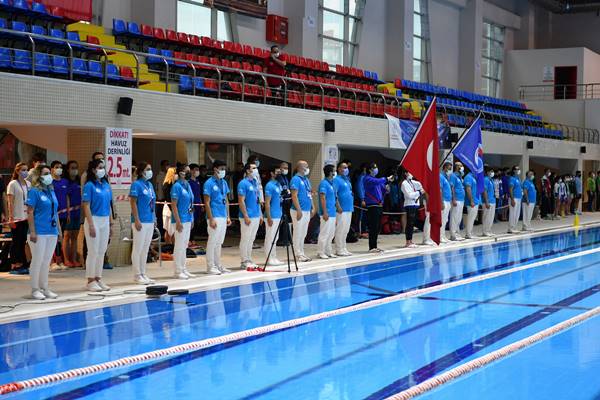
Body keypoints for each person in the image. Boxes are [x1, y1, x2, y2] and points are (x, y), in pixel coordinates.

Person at [25, 165, 61, 300]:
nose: (48, 176)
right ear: (39, 176)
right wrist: (32, 231)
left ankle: (44, 287)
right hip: (38, 231)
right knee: (37, 261)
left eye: (49, 173)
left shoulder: (51, 191)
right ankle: (35, 289)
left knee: (46, 262)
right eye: (45, 174)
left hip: (51, 231)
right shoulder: (34, 191)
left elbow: (55, 212)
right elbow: (30, 211)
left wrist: (58, 231)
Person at [82, 159, 113, 292]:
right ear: (94, 170)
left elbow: (109, 205)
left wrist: (111, 223)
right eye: (100, 167)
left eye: (103, 167)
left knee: (101, 251)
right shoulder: (89, 185)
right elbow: (86, 205)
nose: (103, 170)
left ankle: (98, 278)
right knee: (93, 251)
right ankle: (90, 280)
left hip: (105, 219)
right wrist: (91, 224)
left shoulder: (106, 185)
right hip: (93, 219)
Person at [129, 162, 157, 285]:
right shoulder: (136, 185)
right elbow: (133, 202)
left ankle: (143, 273)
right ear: (141, 172)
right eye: (148, 169)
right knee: (138, 248)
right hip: (140, 221)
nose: (150, 171)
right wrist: (136, 219)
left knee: (145, 249)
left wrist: (154, 218)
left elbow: (153, 202)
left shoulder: (149, 185)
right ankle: (137, 274)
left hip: (149, 220)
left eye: (151, 169)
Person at [204, 160, 232, 274]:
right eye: (221, 168)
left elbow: (226, 200)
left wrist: (228, 216)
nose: (223, 171)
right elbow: (206, 202)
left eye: (224, 169)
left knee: (219, 242)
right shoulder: (209, 183)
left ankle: (218, 264)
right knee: (212, 241)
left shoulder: (224, 183)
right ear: (215, 169)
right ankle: (210, 266)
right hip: (214, 215)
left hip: (223, 215)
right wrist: (211, 218)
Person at [171, 163, 195, 279]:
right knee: (179, 245)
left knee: (185, 245)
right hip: (180, 219)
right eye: (187, 170)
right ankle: (177, 270)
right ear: (181, 173)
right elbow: (174, 205)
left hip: (188, 218)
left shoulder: (188, 185)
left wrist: (192, 218)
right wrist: (178, 221)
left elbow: (191, 202)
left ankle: (184, 268)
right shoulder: (176, 186)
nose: (190, 172)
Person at [363, 163, 394, 253]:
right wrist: (386, 179)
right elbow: (378, 182)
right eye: (374, 168)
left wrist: (387, 188)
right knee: (373, 226)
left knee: (377, 227)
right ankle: (371, 246)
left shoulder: (377, 180)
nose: (376, 170)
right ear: (370, 170)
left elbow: (383, 189)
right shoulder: (367, 179)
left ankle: (375, 246)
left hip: (379, 205)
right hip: (373, 205)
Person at [238, 162, 263, 270]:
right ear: (248, 170)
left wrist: (260, 214)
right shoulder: (243, 183)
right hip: (247, 216)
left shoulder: (255, 182)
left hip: (256, 215)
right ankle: (244, 260)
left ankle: (249, 258)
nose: (256, 170)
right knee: (245, 238)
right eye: (253, 168)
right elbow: (241, 201)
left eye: (256, 168)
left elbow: (258, 200)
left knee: (251, 239)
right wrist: (246, 215)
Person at [7, 162, 31, 274]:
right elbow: (10, 202)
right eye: (23, 170)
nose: (25, 172)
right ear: (17, 171)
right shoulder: (13, 184)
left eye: (26, 169)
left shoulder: (28, 184)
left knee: (23, 241)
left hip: (26, 217)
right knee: (17, 241)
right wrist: (11, 218)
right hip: (17, 217)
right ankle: (15, 264)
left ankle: (22, 262)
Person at [290, 160, 314, 262]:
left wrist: (313, 206)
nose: (308, 168)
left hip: (307, 209)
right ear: (300, 168)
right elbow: (294, 195)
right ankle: (297, 254)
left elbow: (310, 194)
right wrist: (299, 209)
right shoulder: (295, 179)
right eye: (306, 166)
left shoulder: (306, 180)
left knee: (303, 233)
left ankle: (302, 252)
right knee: (298, 232)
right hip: (298, 210)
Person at [264, 165, 284, 266]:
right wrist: (269, 217)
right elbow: (267, 202)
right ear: (272, 173)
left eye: (280, 172)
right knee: (270, 237)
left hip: (278, 214)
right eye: (277, 172)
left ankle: (274, 256)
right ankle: (269, 258)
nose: (279, 173)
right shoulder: (269, 185)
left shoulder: (278, 185)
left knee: (275, 238)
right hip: (271, 215)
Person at [50, 161, 68, 270]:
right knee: (54, 237)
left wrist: (68, 212)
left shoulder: (65, 181)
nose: (59, 169)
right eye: (57, 167)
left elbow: (67, 197)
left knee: (61, 238)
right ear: (52, 169)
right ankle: (52, 261)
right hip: (54, 214)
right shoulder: (50, 182)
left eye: (60, 167)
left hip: (64, 214)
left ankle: (60, 260)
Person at [63, 161, 82, 267]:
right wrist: (68, 213)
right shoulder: (66, 182)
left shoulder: (79, 181)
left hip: (78, 212)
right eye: (72, 168)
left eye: (76, 167)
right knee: (67, 235)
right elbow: (66, 198)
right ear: (68, 169)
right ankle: (66, 259)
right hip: (68, 212)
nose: (74, 170)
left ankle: (74, 259)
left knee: (75, 236)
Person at [333, 161, 354, 256]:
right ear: (338, 169)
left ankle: (343, 247)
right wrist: (338, 206)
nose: (345, 169)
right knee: (340, 229)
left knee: (346, 230)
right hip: (341, 209)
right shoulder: (336, 179)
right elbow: (335, 194)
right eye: (343, 167)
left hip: (349, 208)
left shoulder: (347, 180)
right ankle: (338, 249)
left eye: (346, 168)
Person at [317, 165, 337, 259]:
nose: (335, 172)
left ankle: (328, 251)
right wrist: (325, 212)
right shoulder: (324, 183)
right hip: (327, 212)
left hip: (332, 212)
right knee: (324, 233)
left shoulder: (331, 183)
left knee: (331, 233)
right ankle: (321, 252)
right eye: (334, 171)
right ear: (330, 172)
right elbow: (322, 198)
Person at [401, 170, 422, 248]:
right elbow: (409, 195)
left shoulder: (412, 182)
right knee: (409, 224)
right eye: (410, 172)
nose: (411, 174)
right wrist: (418, 193)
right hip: (409, 205)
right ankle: (408, 241)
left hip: (415, 204)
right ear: (406, 173)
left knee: (412, 223)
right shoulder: (404, 183)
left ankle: (411, 240)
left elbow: (420, 185)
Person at [276, 161, 292, 246]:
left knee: (286, 221)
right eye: (284, 168)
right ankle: (281, 239)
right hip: (281, 202)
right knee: (282, 221)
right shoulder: (279, 177)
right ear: (280, 168)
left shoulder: (286, 177)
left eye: (287, 168)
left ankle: (286, 239)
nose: (286, 169)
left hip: (287, 202)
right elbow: (283, 190)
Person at [449, 161, 465, 241]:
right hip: (457, 199)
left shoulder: (459, 176)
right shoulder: (453, 176)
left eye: (462, 166)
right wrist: (454, 199)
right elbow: (452, 188)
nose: (462, 167)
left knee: (459, 218)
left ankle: (457, 233)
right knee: (454, 217)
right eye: (460, 166)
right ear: (456, 167)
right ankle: (453, 235)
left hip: (461, 199)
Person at [161, 167, 177, 245]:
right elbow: (168, 198)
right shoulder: (167, 185)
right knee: (169, 229)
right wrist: (172, 210)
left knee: (173, 230)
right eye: (175, 173)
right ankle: (169, 245)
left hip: (172, 207)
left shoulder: (175, 184)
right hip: (169, 208)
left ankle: (172, 246)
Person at [463, 168, 480, 239]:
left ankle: (470, 232)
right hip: (471, 202)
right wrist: (471, 201)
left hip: (475, 201)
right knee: (470, 218)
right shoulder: (468, 177)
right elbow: (468, 189)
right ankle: (468, 233)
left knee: (473, 218)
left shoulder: (473, 177)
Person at [188, 163, 203, 242]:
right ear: (191, 171)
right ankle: (190, 239)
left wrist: (201, 204)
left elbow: (199, 193)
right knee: (191, 221)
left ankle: (193, 238)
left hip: (198, 204)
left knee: (197, 221)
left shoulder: (197, 181)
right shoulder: (189, 182)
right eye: (195, 170)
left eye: (198, 170)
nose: (197, 171)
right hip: (191, 205)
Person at [155, 160, 170, 236]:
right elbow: (161, 188)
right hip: (161, 199)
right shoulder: (160, 176)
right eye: (166, 165)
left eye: (168, 164)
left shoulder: (169, 174)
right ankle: (161, 233)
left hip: (167, 199)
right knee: (160, 217)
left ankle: (166, 233)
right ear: (162, 166)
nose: (167, 166)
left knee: (167, 218)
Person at [439, 162, 452, 243]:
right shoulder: (441, 176)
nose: (450, 170)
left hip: (448, 200)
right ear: (445, 168)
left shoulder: (447, 177)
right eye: (449, 168)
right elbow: (440, 190)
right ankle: (440, 237)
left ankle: (443, 235)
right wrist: (441, 202)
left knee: (445, 220)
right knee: (442, 220)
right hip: (444, 201)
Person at [481, 166, 496, 237]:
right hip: (487, 201)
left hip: (492, 201)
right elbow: (484, 191)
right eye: (491, 171)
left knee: (491, 217)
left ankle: (489, 230)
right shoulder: (486, 179)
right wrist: (486, 201)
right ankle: (485, 231)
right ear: (487, 172)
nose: (493, 173)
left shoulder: (491, 180)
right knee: (486, 217)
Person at [508, 166, 523, 234]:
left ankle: (514, 227)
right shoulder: (512, 179)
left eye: (519, 169)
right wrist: (512, 199)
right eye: (517, 169)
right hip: (514, 198)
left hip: (519, 198)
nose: (519, 170)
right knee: (513, 213)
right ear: (514, 170)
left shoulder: (518, 179)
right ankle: (511, 228)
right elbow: (510, 189)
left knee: (517, 214)